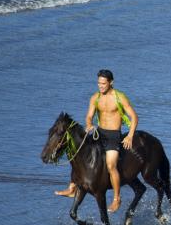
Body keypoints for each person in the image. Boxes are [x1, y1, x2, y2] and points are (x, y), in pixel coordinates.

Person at [55, 69, 138, 213]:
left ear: (111, 82)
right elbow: (89, 116)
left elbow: (134, 117)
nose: (100, 86)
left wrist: (130, 135)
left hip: (113, 136)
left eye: (103, 83)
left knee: (111, 165)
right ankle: (72, 187)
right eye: (99, 83)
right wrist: (89, 125)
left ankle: (117, 199)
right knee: (78, 152)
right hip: (99, 133)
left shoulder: (120, 97)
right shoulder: (95, 98)